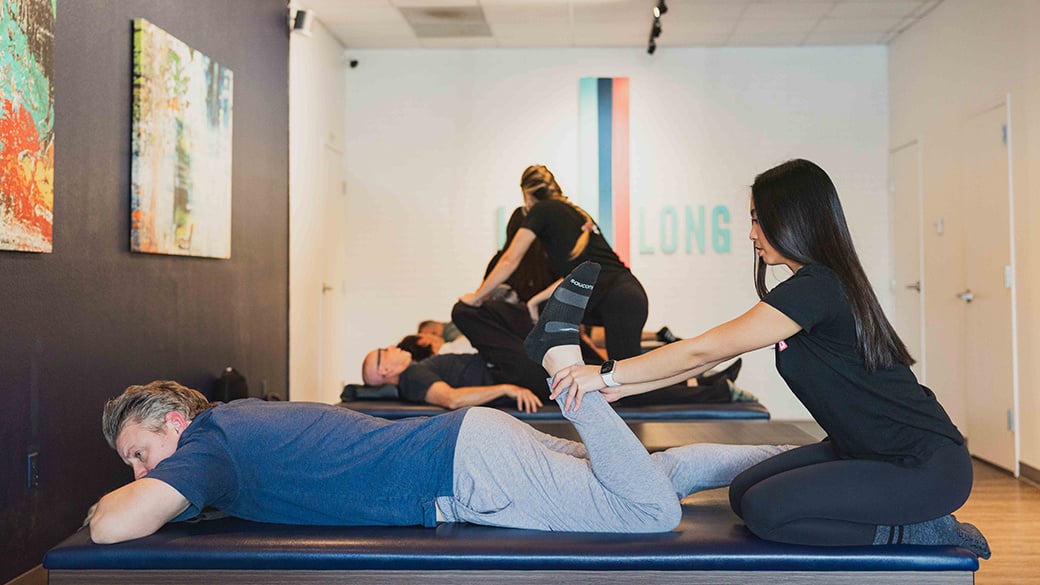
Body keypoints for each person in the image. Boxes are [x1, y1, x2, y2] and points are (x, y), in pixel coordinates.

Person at [90, 270, 790, 544]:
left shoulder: (208, 448)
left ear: (176, 421)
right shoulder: (237, 423)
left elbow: (111, 528)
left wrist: (113, 502)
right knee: (653, 476)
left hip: (467, 474)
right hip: (472, 442)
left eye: (139, 454)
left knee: (648, 512)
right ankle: (806, 457)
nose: (138, 473)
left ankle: (558, 359)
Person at [543, 160, 991, 559]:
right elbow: (705, 360)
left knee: (766, 511)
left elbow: (710, 347)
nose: (752, 234)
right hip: (862, 450)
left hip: (921, 465)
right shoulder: (811, 287)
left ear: (793, 220)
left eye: (758, 221)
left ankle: (920, 530)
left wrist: (603, 371)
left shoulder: (818, 287)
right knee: (742, 493)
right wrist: (625, 386)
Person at [460, 164, 649, 361]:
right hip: (627, 295)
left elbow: (509, 259)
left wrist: (477, 297)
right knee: (625, 378)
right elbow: (570, 275)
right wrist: (535, 301)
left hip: (617, 299)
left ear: (526, 194)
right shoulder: (572, 212)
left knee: (625, 382)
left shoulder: (541, 210)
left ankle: (683, 392)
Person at [361, 344, 543, 413]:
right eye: (384, 351)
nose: (392, 346)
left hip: (504, 367)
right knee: (464, 312)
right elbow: (452, 399)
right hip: (506, 372)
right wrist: (506, 389)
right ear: (385, 370)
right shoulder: (411, 376)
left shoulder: (414, 373)